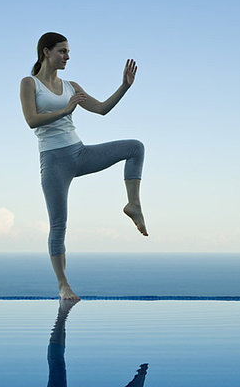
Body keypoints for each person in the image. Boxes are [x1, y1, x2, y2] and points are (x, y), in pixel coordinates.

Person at [20, 32, 148, 300]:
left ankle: (133, 205)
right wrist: (65, 111)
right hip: (54, 161)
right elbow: (32, 120)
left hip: (79, 153)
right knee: (58, 226)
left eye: (68, 52)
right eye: (62, 51)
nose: (67, 57)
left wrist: (124, 86)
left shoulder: (71, 85)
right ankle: (64, 286)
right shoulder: (29, 83)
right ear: (46, 52)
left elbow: (101, 109)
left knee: (135, 147)